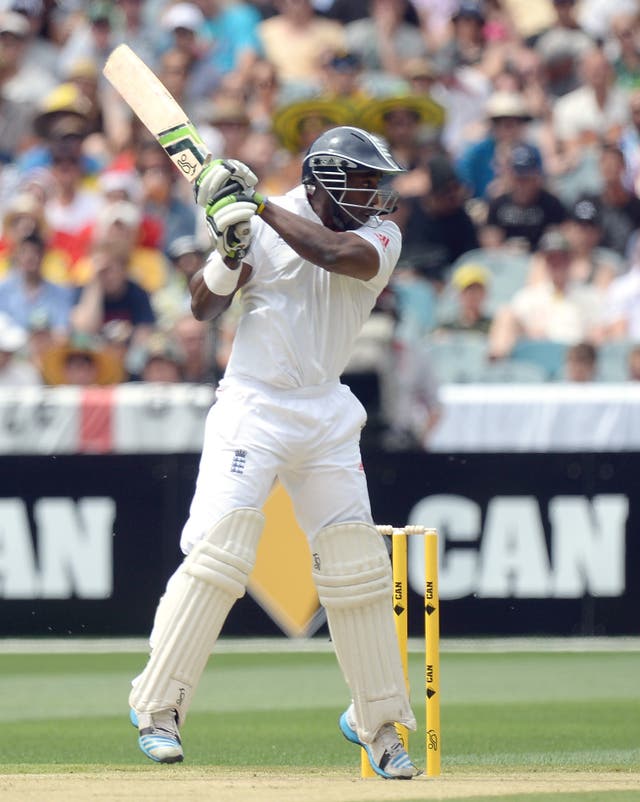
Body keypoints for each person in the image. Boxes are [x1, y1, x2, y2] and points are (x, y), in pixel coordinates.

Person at [127, 126, 420, 779]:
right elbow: (202, 309)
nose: (376, 194)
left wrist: (254, 209)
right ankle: (157, 709)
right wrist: (229, 252)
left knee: (356, 568)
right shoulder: (257, 219)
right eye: (364, 181)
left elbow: (332, 253)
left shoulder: (375, 237)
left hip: (325, 411)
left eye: (378, 182)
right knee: (217, 556)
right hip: (253, 408)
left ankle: (379, 725)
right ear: (324, 179)